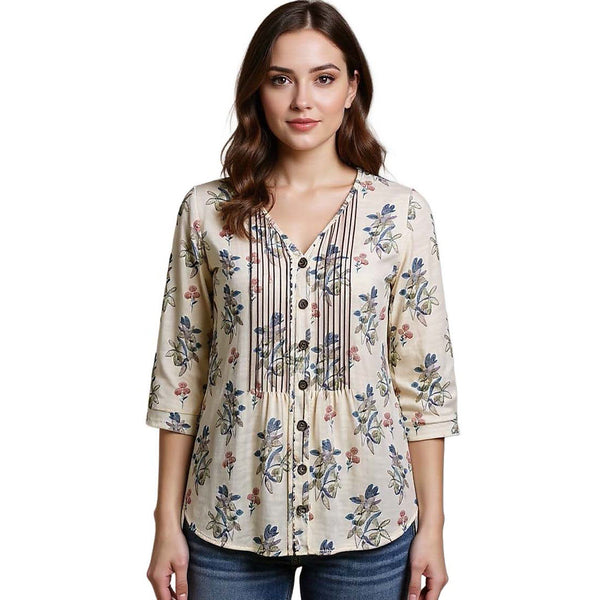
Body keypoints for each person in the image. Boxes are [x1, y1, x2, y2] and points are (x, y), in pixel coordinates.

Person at [145, 2, 460, 599]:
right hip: (227, 519)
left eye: (323, 78)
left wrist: (434, 528)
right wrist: (164, 524)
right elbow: (180, 376)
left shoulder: (399, 213)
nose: (301, 101)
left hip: (368, 522)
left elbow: (424, 385)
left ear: (351, 89)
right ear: (257, 90)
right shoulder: (206, 211)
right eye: (280, 79)